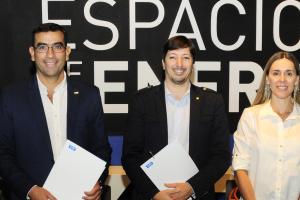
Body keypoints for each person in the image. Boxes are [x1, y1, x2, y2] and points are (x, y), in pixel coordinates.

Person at [0, 23, 111, 200]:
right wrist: (30, 189)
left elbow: (102, 149)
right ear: (32, 53)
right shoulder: (10, 97)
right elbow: (3, 154)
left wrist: (96, 180)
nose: (50, 54)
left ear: (67, 52)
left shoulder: (89, 94)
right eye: (42, 47)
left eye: (57, 47)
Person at [121, 35, 231, 200]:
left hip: (197, 195)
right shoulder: (142, 101)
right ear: (163, 63)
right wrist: (154, 193)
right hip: (152, 195)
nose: (179, 64)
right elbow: (130, 156)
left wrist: (191, 187)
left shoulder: (213, 101)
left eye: (185, 58)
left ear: (192, 64)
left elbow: (221, 156)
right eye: (173, 57)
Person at [232, 51, 300, 200]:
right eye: (276, 73)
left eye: (289, 74)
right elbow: (240, 167)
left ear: (296, 80)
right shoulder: (251, 116)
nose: (282, 79)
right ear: (268, 79)